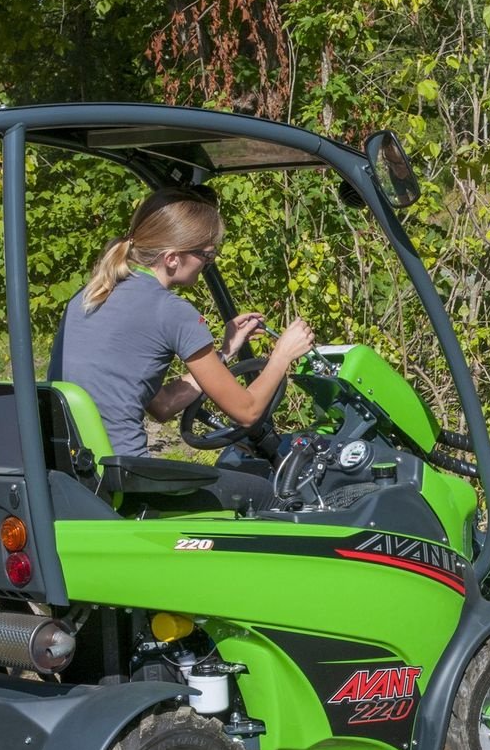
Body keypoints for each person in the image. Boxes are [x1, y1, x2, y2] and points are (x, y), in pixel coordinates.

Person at [50, 187, 314, 509]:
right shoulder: (171, 310)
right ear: (173, 258)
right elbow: (247, 411)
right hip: (126, 481)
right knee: (267, 495)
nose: (207, 264)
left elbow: (160, 406)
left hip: (76, 474)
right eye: (206, 255)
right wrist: (282, 355)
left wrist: (226, 352)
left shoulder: (89, 295)